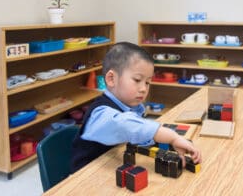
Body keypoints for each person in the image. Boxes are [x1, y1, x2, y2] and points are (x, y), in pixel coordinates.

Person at [71, 42, 201, 173]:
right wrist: (173, 137)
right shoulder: (100, 113)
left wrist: (165, 141)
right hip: (86, 177)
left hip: (111, 167)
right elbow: (126, 125)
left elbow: (136, 133)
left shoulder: (130, 106)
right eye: (137, 80)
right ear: (111, 79)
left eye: (148, 82)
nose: (144, 89)